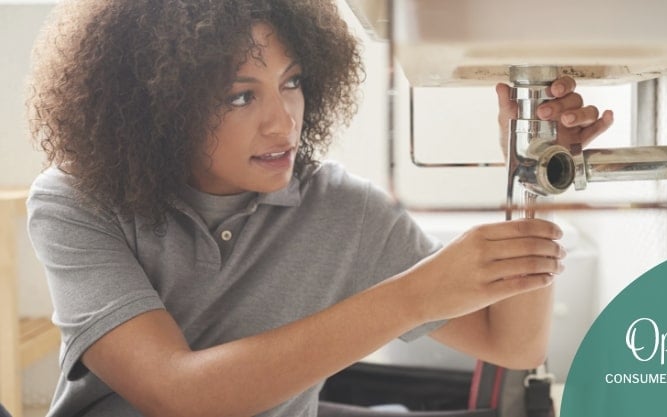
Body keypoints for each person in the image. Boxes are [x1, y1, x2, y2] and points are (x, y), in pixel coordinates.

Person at [25, 1, 613, 416]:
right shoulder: (77, 201)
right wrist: (414, 294)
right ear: (160, 104)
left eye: (292, 81)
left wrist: (534, 171)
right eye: (240, 95)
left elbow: (513, 345)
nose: (284, 122)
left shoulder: (342, 211)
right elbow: (177, 396)